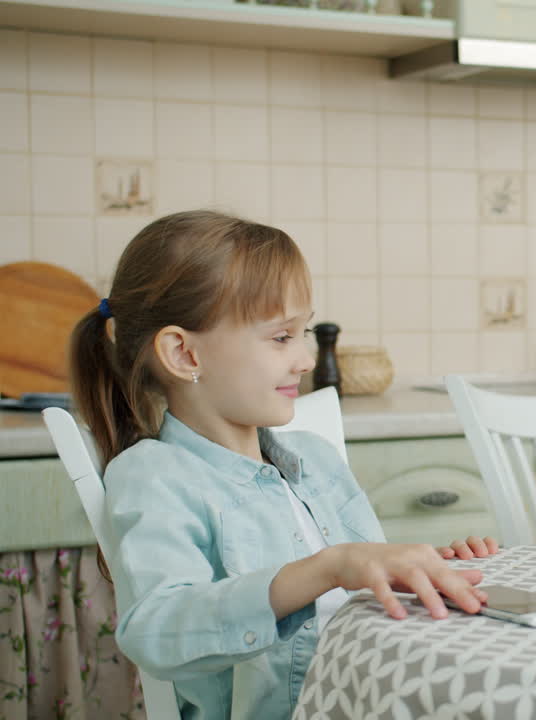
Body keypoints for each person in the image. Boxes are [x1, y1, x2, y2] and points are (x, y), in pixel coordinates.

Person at [68, 210, 501, 719]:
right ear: (184, 354)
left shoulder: (315, 461)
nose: (305, 359)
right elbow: (157, 630)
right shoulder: (156, 476)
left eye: (305, 333)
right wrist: (329, 567)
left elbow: (363, 587)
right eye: (280, 338)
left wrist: (425, 572)